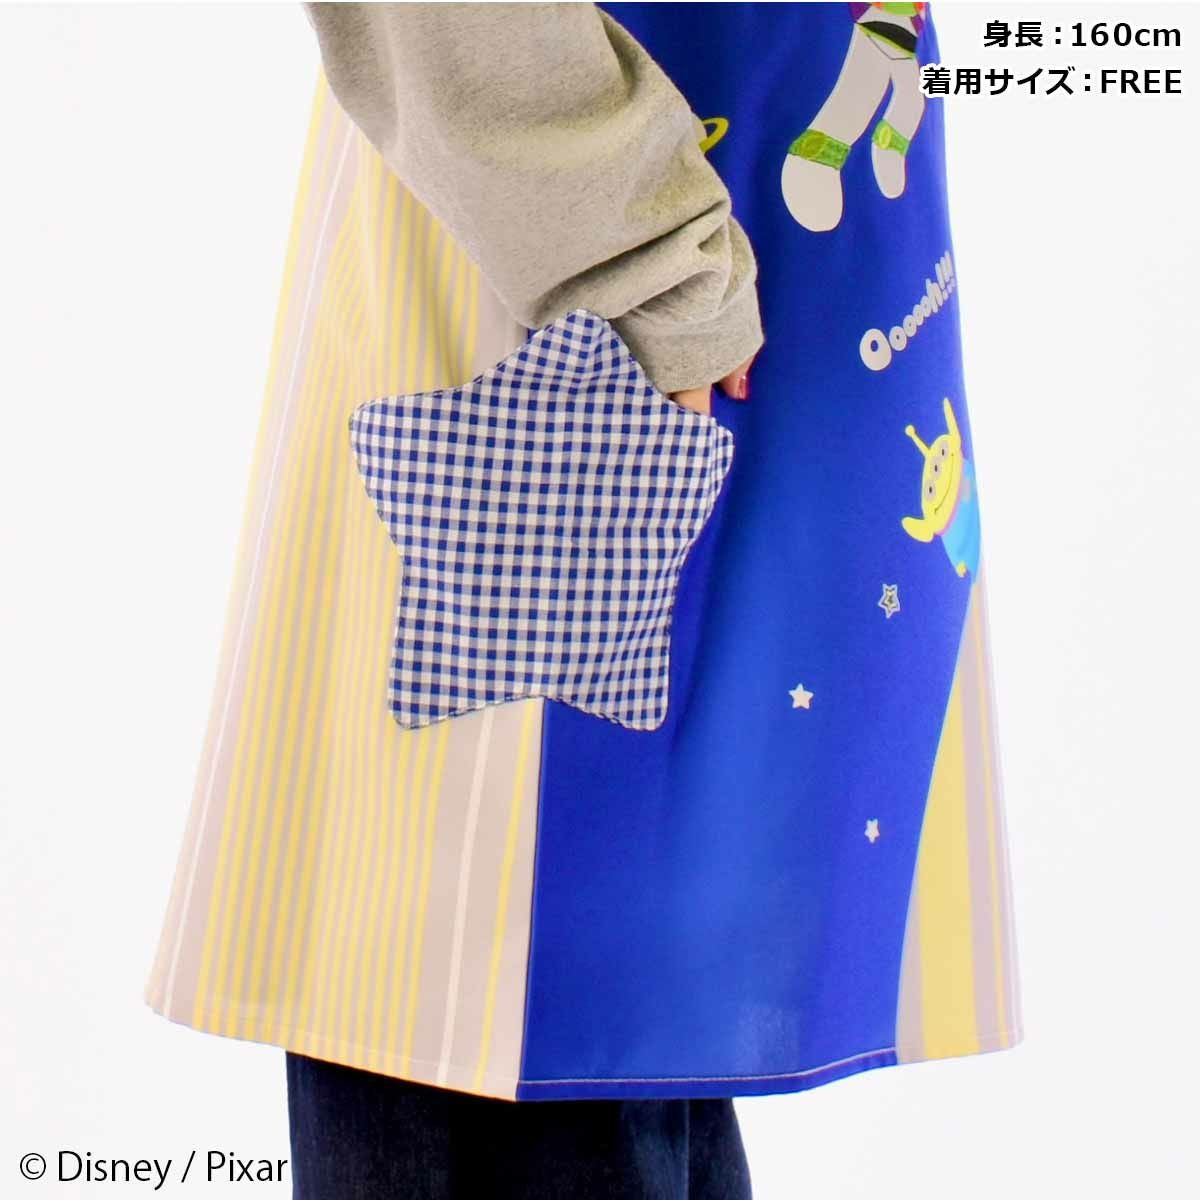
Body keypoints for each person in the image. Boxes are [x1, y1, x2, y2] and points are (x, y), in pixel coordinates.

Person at [144, 4, 1022, 1197]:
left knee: (640, 1038)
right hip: (577, 288)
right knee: (518, 1000)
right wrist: (641, 257)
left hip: (709, 270)